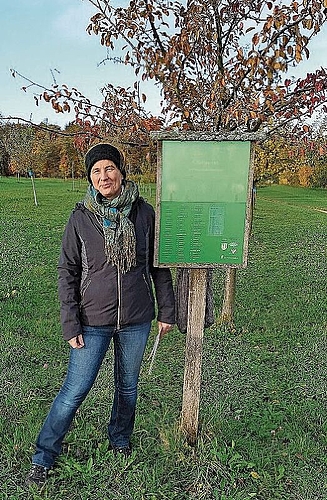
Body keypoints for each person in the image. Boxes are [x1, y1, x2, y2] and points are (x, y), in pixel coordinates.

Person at [26, 143, 175, 488]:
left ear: (121, 172)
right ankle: (44, 454)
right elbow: (67, 271)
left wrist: (167, 310)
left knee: (128, 386)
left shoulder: (144, 214)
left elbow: (159, 267)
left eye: (109, 168)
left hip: (137, 317)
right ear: (90, 179)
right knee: (75, 390)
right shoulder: (81, 216)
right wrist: (70, 321)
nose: (103, 176)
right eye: (96, 171)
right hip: (92, 320)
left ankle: (119, 441)